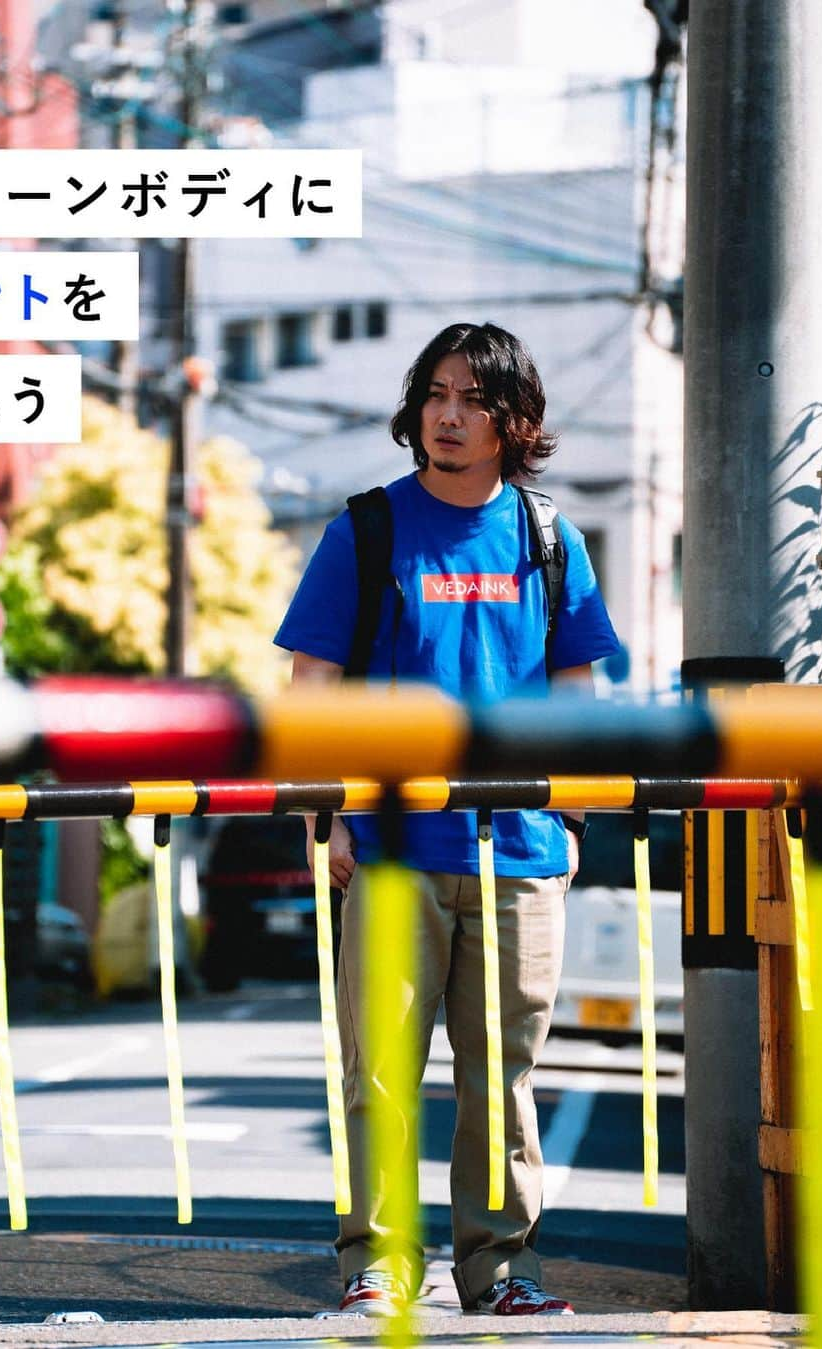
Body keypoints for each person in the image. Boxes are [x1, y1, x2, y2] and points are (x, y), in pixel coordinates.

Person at [274, 322, 620, 1318]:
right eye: (435, 393)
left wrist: (571, 827)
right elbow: (313, 685)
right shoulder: (367, 529)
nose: (450, 414)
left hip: (521, 850)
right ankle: (376, 1265)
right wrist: (331, 811)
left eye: (474, 397)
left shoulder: (550, 539)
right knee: (379, 1069)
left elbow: (575, 695)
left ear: (518, 420)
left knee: (502, 1079)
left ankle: (498, 1271)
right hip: (389, 849)